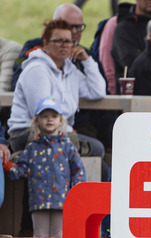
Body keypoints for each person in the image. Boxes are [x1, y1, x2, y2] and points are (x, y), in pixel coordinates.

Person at [8, 20, 106, 161]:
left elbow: (97, 91)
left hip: (58, 131)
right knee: (95, 149)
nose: (64, 45)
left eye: (68, 41)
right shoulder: (37, 69)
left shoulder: (69, 69)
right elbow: (41, 111)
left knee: (95, 152)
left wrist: (86, 60)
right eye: (58, 41)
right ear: (46, 43)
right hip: (27, 132)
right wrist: (69, 131)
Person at [5, 96, 84, 238]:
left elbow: (78, 172)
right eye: (44, 116)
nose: (49, 119)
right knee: (39, 236)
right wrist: (7, 165)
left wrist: (77, 195)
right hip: (39, 202)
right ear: (37, 121)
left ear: (60, 121)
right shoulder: (31, 148)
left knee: (60, 236)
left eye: (54, 116)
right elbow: (20, 170)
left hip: (62, 202)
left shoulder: (68, 147)